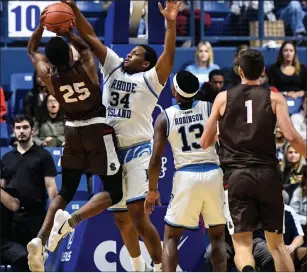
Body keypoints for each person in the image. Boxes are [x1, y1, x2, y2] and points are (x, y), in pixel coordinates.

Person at [61, 0, 181, 271]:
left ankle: (163, 267)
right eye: (130, 52)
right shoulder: (113, 66)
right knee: (121, 220)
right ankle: (138, 267)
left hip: (138, 149)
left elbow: (169, 57)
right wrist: (74, 9)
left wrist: (170, 24)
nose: (129, 55)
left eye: (136, 54)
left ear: (146, 62)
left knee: (138, 215)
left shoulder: (151, 79)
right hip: (110, 150)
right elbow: (90, 37)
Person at [26, 12, 122, 272]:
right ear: (70, 55)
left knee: (66, 190)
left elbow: (31, 49)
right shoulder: (87, 65)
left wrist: (40, 27)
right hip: (97, 129)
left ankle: (40, 238)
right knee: (115, 192)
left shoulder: (48, 76)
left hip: (71, 132)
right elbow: (87, 45)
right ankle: (71, 222)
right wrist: (67, 30)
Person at [200, 48, 306, 272]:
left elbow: (205, 141)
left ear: (239, 71)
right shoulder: (275, 98)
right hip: (267, 175)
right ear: (263, 72)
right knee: (276, 246)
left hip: (237, 176)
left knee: (241, 244)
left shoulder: (222, 98)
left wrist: (226, 133)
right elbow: (290, 136)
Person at [144, 71, 226, 272]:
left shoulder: (165, 117)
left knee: (171, 237)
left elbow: (155, 160)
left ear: (175, 91)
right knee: (217, 237)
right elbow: (225, 144)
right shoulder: (209, 108)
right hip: (214, 172)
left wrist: (152, 189)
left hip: (186, 176)